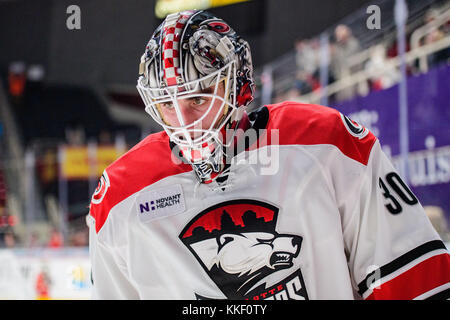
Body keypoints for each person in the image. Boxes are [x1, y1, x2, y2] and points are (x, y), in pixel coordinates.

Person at [88, 10, 450, 300]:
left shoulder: (327, 144)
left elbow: (412, 282)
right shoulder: (120, 199)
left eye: (198, 98)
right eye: (167, 105)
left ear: (237, 83)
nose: (186, 123)